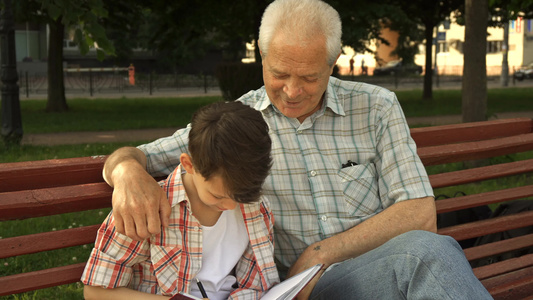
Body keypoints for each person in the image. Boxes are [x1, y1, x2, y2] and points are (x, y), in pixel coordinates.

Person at [103, 0, 492, 299]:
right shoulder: (239, 126)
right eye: (279, 74)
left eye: (309, 77)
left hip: (380, 271)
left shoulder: (376, 107)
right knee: (425, 256)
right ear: (261, 54)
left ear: (333, 62)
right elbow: (136, 155)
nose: (292, 91)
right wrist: (127, 173)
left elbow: (419, 213)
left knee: (425, 252)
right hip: (302, 290)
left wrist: (321, 252)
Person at [81, 101, 279, 300]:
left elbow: (255, 287)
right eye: (218, 196)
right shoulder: (146, 206)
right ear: (189, 164)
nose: (232, 206)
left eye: (241, 196)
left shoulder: (256, 207)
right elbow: (96, 291)